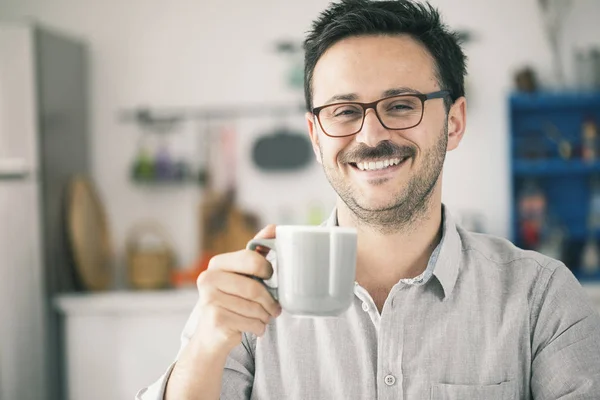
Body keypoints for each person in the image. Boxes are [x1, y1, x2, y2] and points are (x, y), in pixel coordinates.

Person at [137, 0, 600, 399]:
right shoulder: (246, 300)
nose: (372, 134)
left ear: (454, 122)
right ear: (316, 136)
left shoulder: (541, 298)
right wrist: (205, 345)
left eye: (401, 105)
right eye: (344, 111)